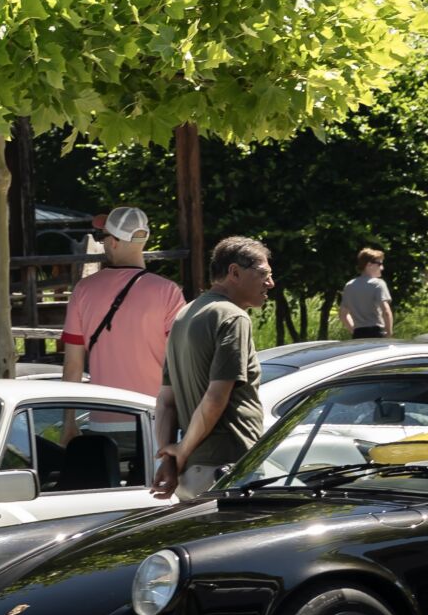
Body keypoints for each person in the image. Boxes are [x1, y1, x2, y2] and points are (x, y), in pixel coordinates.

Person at [154, 237, 273, 502]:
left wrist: (170, 458)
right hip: (229, 469)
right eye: (264, 274)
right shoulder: (232, 316)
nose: (270, 283)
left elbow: (165, 401)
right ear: (234, 272)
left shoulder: (184, 315)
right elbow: (216, 397)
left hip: (192, 474)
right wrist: (181, 450)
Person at [59, 205, 185, 399]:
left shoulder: (83, 290)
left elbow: (72, 366)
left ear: (115, 242)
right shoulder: (168, 292)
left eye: (103, 237)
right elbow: (180, 360)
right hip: (155, 415)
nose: (103, 243)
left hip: (103, 413)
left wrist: (68, 421)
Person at [339, 246, 393, 338]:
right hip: (377, 332)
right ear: (369, 265)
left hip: (358, 334)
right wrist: (389, 332)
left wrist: (354, 330)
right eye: (379, 264)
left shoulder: (350, 285)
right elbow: (386, 311)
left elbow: (343, 315)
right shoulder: (378, 284)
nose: (382, 268)